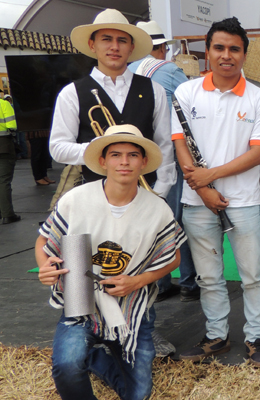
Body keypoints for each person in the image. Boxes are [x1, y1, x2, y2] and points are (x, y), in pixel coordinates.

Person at [36, 125, 185, 400]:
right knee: (67, 365)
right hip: (81, 298)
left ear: (143, 162)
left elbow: (173, 256)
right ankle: (88, 353)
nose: (124, 162)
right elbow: (45, 241)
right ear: (103, 162)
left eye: (132, 155)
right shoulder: (76, 199)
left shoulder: (157, 208)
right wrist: (46, 267)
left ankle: (94, 357)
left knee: (137, 394)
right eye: (116, 155)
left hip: (132, 303)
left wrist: (137, 281)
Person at [174, 17, 260, 368]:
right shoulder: (186, 92)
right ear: (208, 51)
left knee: (253, 275)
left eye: (234, 49)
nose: (226, 55)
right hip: (197, 203)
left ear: (244, 54)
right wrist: (203, 191)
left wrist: (208, 177)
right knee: (208, 276)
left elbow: (258, 153)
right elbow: (180, 144)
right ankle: (216, 335)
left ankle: (256, 337)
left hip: (243, 202)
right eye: (219, 47)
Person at [49, 9, 175, 196]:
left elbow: (164, 144)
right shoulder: (71, 93)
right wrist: (97, 148)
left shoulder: (154, 89)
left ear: (131, 47)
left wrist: (161, 191)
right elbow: (58, 148)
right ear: (92, 45)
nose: (114, 47)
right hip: (94, 196)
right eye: (106, 39)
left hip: (145, 194)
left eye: (122, 40)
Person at [128, 20, 199, 305]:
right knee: (177, 217)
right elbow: (193, 105)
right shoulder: (169, 71)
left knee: (144, 220)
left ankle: (157, 280)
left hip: (133, 157)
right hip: (167, 156)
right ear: (160, 47)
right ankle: (189, 281)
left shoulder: (127, 72)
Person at [0, 94, 19, 224]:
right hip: (3, 145)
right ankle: (7, 214)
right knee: (3, 181)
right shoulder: (4, 104)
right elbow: (12, 125)